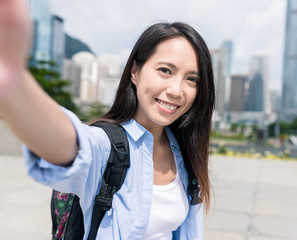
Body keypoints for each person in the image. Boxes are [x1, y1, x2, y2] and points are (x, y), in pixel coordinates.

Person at [0, 0, 215, 239]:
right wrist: (12, 82)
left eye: (192, 79)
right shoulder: (107, 147)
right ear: (135, 72)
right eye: (165, 70)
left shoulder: (184, 151)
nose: (177, 90)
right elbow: (70, 143)